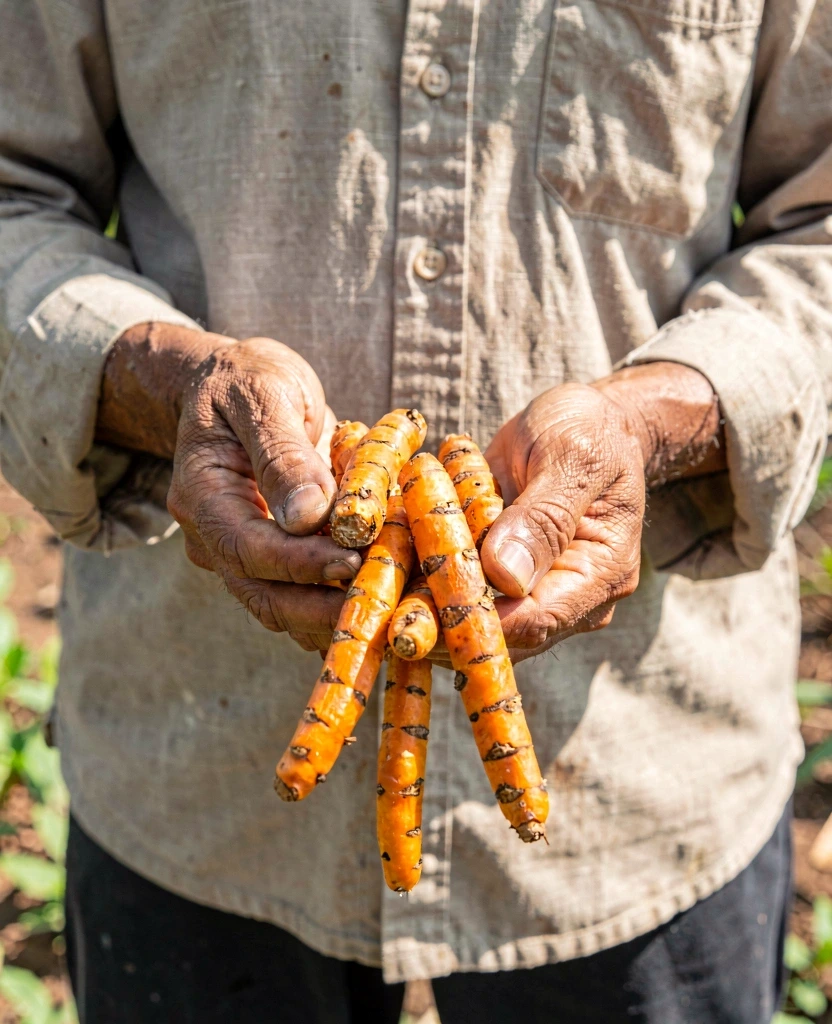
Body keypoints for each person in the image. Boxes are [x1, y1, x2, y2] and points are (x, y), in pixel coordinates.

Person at [0, 0, 830, 1020]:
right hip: (192, 767)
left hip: (643, 790)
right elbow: (13, 191)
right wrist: (165, 385)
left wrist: (657, 423)